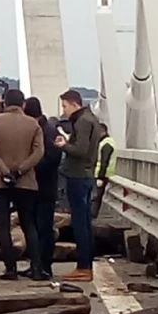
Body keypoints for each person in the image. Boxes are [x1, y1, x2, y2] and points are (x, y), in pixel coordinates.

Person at [0, 88, 45, 281]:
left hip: (0, 181)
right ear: (23, 104)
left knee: (3, 225)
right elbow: (39, 153)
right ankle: (36, 267)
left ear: (4, 102)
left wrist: (5, 171)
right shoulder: (33, 125)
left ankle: (10, 268)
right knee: (29, 224)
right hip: (25, 182)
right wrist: (21, 170)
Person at [53, 89, 101, 282]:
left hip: (78, 175)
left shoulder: (82, 122)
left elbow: (80, 150)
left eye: (64, 106)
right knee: (85, 223)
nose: (63, 111)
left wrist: (63, 145)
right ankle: (86, 264)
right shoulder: (93, 119)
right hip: (87, 175)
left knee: (80, 223)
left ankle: (83, 266)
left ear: (74, 104)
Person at [24, 95, 61, 278]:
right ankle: (36, 264)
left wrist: (29, 165)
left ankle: (44, 265)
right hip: (38, 186)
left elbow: (52, 160)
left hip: (43, 187)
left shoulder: (46, 131)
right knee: (35, 226)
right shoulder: (47, 129)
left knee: (43, 227)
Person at [91, 122, 117, 214]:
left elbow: (104, 161)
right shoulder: (106, 142)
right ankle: (92, 215)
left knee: (95, 198)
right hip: (102, 174)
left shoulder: (106, 144)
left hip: (101, 175)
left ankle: (92, 216)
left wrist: (100, 177)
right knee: (96, 197)